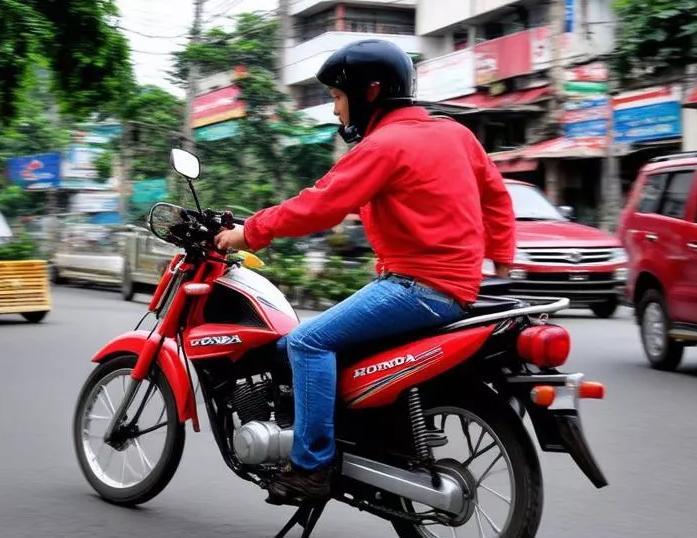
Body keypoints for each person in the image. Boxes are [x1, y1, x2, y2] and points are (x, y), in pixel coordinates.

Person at [215, 38, 517, 502]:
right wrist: (501, 260)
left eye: (338, 97)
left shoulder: (384, 145)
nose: (336, 110)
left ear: (370, 92)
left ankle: (310, 467)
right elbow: (496, 197)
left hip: (416, 288)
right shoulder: (456, 134)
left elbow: (321, 204)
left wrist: (249, 233)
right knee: (313, 343)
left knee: (307, 342)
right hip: (451, 287)